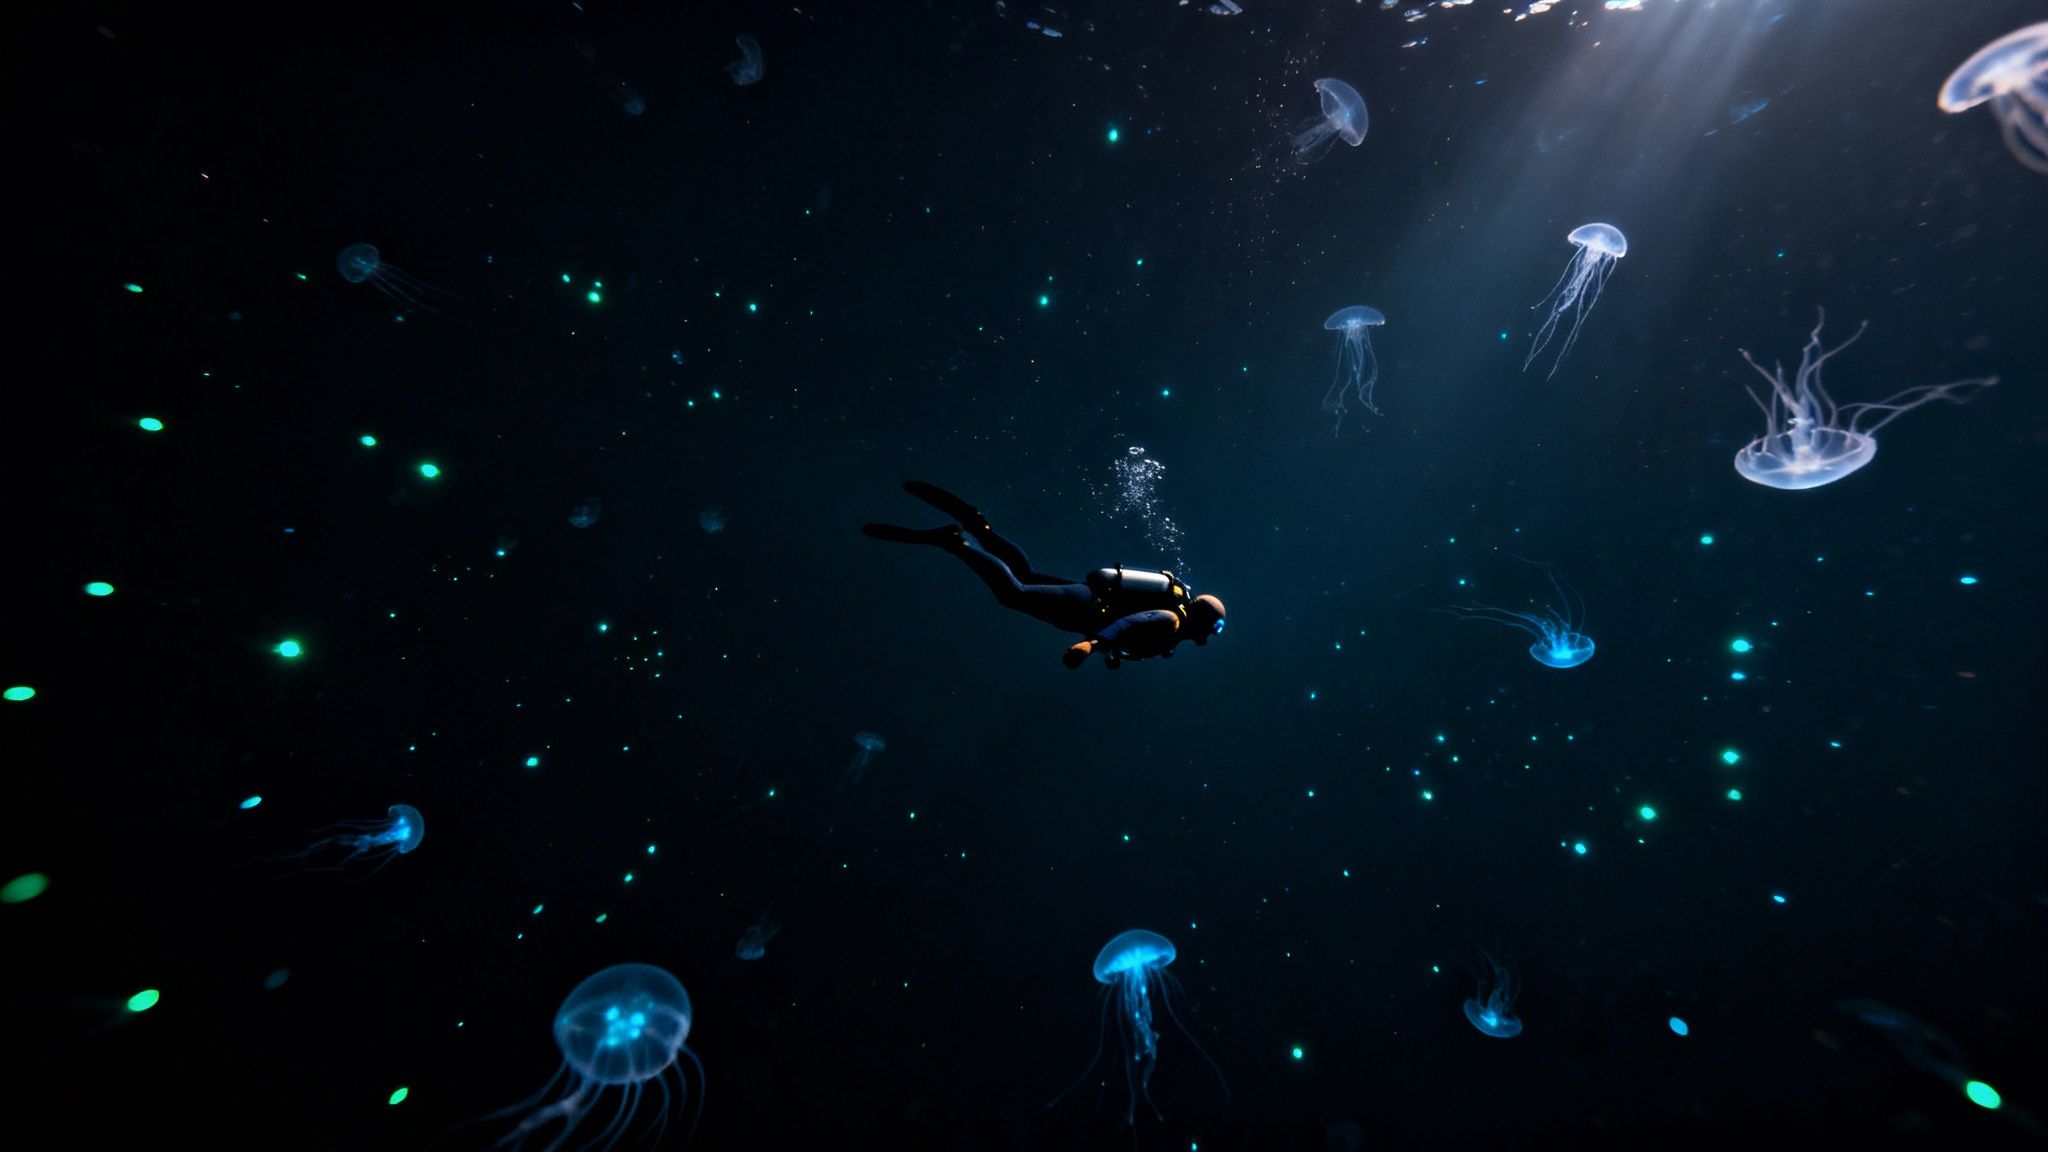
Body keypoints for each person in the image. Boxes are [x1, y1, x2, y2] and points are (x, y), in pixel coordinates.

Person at [863, 482, 1226, 669]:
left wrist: (1109, 651)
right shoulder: (1170, 622)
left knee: (1026, 572)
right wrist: (1093, 645)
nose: (1208, 637)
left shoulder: (1173, 624)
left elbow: (1129, 631)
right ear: (1201, 620)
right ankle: (957, 542)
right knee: (1014, 593)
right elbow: (1131, 624)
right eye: (1213, 629)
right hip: (1084, 608)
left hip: (1087, 599)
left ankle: (980, 528)